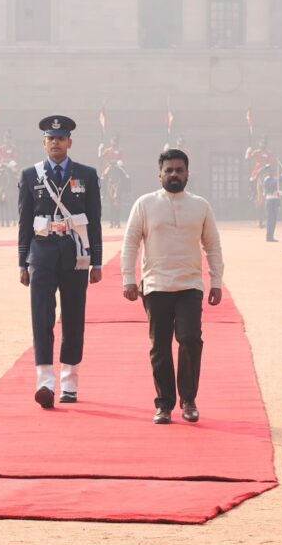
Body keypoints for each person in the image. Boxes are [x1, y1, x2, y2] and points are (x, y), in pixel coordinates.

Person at [120, 149, 224, 425]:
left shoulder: (201, 206)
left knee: (190, 339)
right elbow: (131, 243)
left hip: (190, 284)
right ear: (160, 174)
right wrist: (128, 278)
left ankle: (188, 400)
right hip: (156, 285)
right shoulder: (144, 204)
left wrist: (216, 282)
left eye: (179, 170)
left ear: (188, 174)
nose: (174, 174)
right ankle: (164, 404)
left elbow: (212, 246)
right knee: (160, 346)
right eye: (169, 170)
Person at [17, 115, 103, 409]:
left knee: (73, 317)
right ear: (44, 143)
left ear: (70, 142)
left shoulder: (86, 175)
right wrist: (22, 262)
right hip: (41, 253)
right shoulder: (31, 175)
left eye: (61, 138)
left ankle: (69, 382)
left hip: (75, 253)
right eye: (51, 139)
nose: (56, 143)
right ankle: (44, 381)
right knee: (41, 318)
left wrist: (97, 262)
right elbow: (24, 221)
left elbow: (94, 220)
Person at [263, 165, 281, 242]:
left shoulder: (273, 179)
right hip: (270, 201)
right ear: (267, 172)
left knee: (274, 220)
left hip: (275, 200)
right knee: (271, 219)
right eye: (271, 171)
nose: (273, 172)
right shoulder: (267, 180)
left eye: (273, 171)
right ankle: (269, 236)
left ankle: (271, 236)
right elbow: (273, 184)